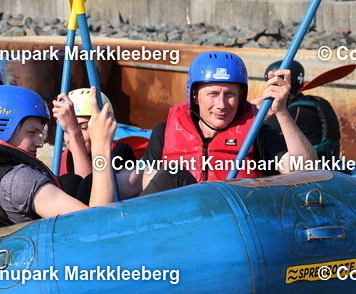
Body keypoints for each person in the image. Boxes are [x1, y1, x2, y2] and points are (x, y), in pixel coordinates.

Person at [123, 50, 316, 196]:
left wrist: (281, 111)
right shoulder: (164, 132)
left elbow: (306, 172)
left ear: (241, 97)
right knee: (167, 175)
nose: (221, 105)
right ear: (195, 97)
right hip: (180, 224)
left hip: (235, 224)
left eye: (230, 94)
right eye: (213, 94)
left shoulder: (257, 133)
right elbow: (133, 183)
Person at [0, 84, 116, 232]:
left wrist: (74, 133)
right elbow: (99, 225)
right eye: (31, 133)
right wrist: (101, 147)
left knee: (73, 182)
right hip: (55, 258)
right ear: (2, 127)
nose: (40, 143)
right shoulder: (20, 180)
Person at [53, 88, 136, 195]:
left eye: (83, 128)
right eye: (66, 130)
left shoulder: (119, 151)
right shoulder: (62, 157)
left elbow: (89, 193)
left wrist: (74, 134)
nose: (72, 137)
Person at [262, 60, 342, 162]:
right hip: (333, 165)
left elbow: (259, 130)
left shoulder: (295, 112)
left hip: (315, 170)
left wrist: (257, 111)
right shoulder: (316, 102)